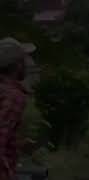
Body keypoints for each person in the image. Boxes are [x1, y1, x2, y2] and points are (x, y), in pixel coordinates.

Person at [0, 37, 36, 179]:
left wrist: (17, 144)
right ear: (16, 65)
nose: (29, 64)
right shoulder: (13, 96)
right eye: (25, 59)